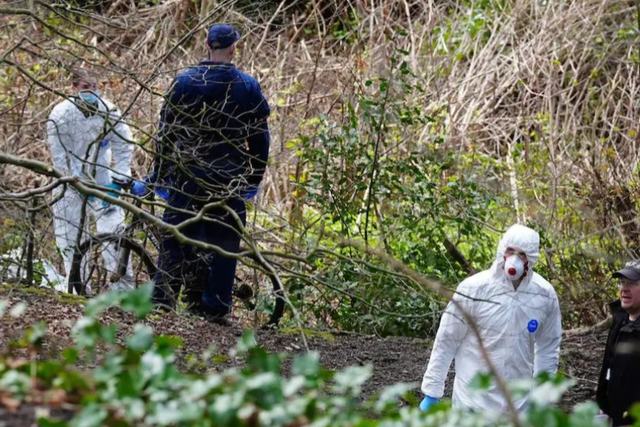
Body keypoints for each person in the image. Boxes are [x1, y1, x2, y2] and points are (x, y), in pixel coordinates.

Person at [151, 24, 271, 323]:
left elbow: (165, 132)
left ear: (207, 44)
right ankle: (215, 308)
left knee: (175, 239)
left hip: (186, 176)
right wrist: (253, 177)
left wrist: (161, 174)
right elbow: (260, 138)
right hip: (227, 179)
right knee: (225, 244)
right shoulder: (246, 86)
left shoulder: (183, 82)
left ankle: (163, 302)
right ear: (234, 48)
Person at [420, 224, 562, 414]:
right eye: (510, 251)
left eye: (522, 254)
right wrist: (432, 391)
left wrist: (542, 397)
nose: (514, 260)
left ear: (532, 258)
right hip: (472, 402)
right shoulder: (474, 289)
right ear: (502, 250)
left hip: (518, 406)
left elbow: (548, 348)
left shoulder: (544, 295)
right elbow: (447, 339)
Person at [47, 69, 135, 293]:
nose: (91, 92)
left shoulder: (110, 111)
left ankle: (124, 293)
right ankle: (77, 289)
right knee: (70, 238)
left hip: (104, 182)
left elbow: (124, 145)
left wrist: (119, 179)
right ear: (74, 88)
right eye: (85, 88)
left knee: (115, 234)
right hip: (69, 184)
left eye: (94, 87)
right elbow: (59, 157)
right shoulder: (60, 115)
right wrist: (73, 181)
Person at [597, 260, 640, 426]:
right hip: (615, 415)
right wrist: (604, 405)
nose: (624, 289)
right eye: (622, 283)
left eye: (632, 283)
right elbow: (609, 365)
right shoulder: (620, 319)